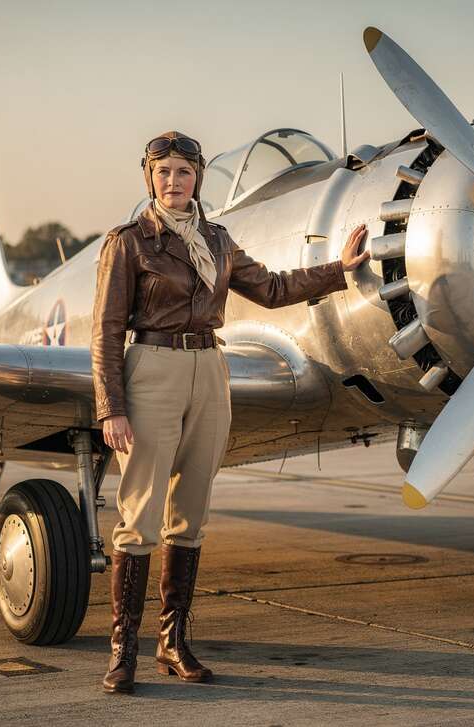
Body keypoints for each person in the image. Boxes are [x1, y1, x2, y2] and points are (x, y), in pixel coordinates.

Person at [91, 131, 369, 694]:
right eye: (163, 172)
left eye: (184, 173)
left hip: (210, 373)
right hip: (152, 368)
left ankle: (173, 644)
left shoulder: (217, 241)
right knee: (139, 517)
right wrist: (111, 408)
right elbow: (105, 331)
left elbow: (270, 288)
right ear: (150, 178)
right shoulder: (128, 243)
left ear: (197, 179)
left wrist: (338, 270)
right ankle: (123, 654)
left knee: (190, 514)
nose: (174, 182)